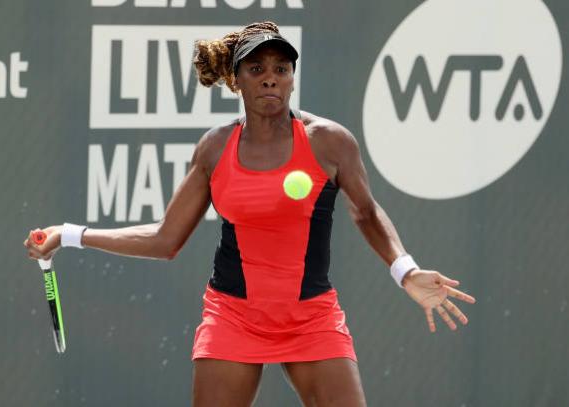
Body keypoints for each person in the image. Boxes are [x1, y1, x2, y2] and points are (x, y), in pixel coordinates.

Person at [24, 21, 476, 407]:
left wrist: (405, 269)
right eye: (257, 69)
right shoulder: (216, 148)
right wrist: (70, 233)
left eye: (282, 69)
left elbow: (366, 212)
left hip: (311, 317)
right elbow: (165, 240)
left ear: (293, 78)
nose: (270, 78)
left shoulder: (329, 142)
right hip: (232, 317)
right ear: (236, 80)